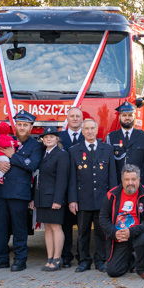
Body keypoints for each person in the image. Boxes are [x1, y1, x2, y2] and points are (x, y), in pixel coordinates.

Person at [0, 110, 44, 271]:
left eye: (25, 125)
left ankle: (20, 259)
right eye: (19, 124)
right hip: (0, 191)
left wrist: (14, 156)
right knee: (0, 227)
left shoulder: (35, 145)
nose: (21, 128)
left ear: (31, 127)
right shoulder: (6, 140)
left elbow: (32, 165)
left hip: (19, 193)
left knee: (19, 228)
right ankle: (1, 258)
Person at [68, 118, 116, 272]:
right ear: (82, 131)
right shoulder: (74, 150)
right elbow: (72, 179)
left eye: (92, 128)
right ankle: (84, 261)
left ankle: (101, 260)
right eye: (86, 129)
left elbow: (112, 176)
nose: (89, 131)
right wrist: (72, 200)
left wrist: (113, 198)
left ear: (97, 130)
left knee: (101, 232)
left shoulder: (107, 149)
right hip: (83, 199)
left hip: (103, 199)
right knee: (83, 232)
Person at [100, 164, 144, 279]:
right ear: (122, 180)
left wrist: (131, 232)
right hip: (119, 236)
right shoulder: (112, 195)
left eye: (133, 179)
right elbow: (103, 218)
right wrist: (114, 232)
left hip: (139, 234)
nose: (130, 182)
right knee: (113, 272)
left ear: (139, 180)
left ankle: (142, 268)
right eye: (127, 179)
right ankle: (132, 260)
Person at [34, 127, 70, 271]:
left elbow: (62, 180)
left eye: (52, 136)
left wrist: (58, 200)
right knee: (47, 228)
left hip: (54, 198)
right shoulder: (44, 154)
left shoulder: (61, 155)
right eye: (46, 137)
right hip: (42, 197)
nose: (48, 139)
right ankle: (49, 258)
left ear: (57, 139)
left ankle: (57, 259)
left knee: (56, 227)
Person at [106, 102, 144, 189]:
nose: (127, 118)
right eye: (124, 115)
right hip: (118, 185)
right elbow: (108, 165)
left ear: (134, 117)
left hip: (138, 184)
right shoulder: (111, 137)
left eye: (130, 115)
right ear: (119, 117)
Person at [59, 107, 85, 267]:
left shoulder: (88, 136)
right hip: (64, 186)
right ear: (67, 119)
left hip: (83, 186)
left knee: (82, 225)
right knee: (65, 224)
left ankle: (82, 256)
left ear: (82, 119)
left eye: (78, 116)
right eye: (72, 116)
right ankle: (66, 256)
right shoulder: (59, 138)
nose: (75, 118)